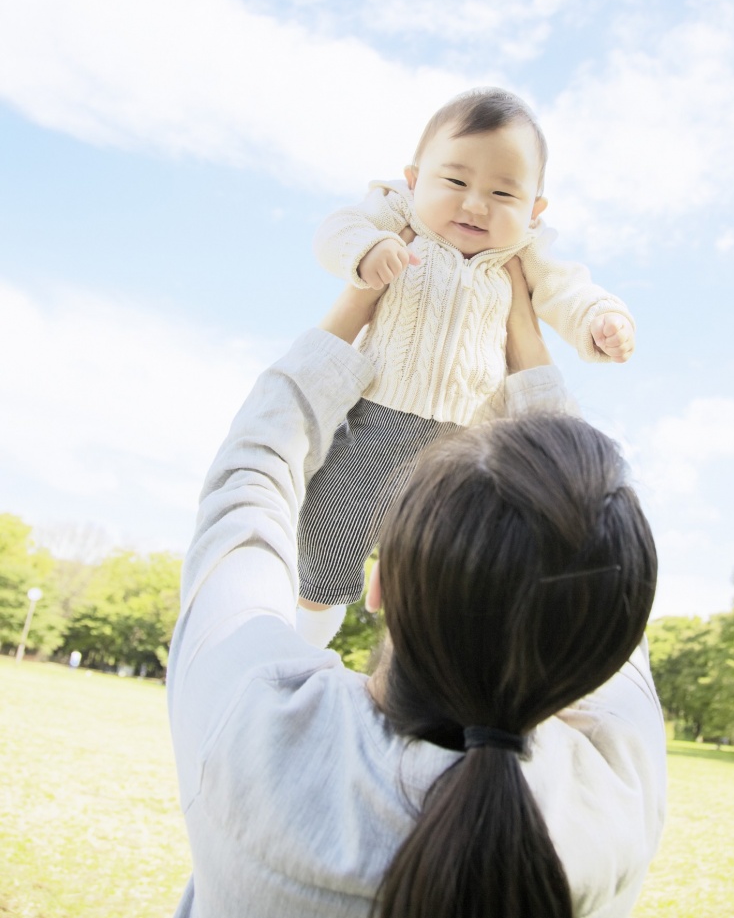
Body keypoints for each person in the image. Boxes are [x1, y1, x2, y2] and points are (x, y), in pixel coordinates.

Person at [166, 274, 665, 918]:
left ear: (376, 586)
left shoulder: (256, 722)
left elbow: (250, 481)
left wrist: (357, 305)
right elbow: (591, 560)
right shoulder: (616, 800)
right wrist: (524, 320)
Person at [298, 86, 636, 646]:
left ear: (534, 210)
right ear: (414, 179)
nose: (475, 204)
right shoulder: (398, 216)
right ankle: (304, 641)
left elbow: (567, 290)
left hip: (473, 439)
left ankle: (417, 658)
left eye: (504, 193)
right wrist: (366, 251)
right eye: (455, 182)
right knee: (332, 530)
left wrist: (602, 320)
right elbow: (334, 232)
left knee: (442, 563)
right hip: (379, 417)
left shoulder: (523, 252)